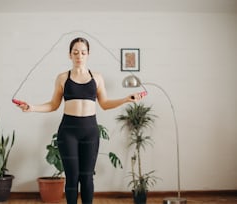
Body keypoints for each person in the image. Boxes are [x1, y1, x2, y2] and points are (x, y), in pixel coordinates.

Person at [16, 37, 143, 204]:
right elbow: (53, 105)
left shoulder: (97, 77)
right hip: (68, 132)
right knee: (72, 177)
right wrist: (32, 107)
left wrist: (126, 99)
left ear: (88, 54)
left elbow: (104, 104)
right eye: (75, 52)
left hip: (90, 131)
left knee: (87, 177)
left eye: (83, 52)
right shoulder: (62, 78)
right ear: (70, 55)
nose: (79, 56)